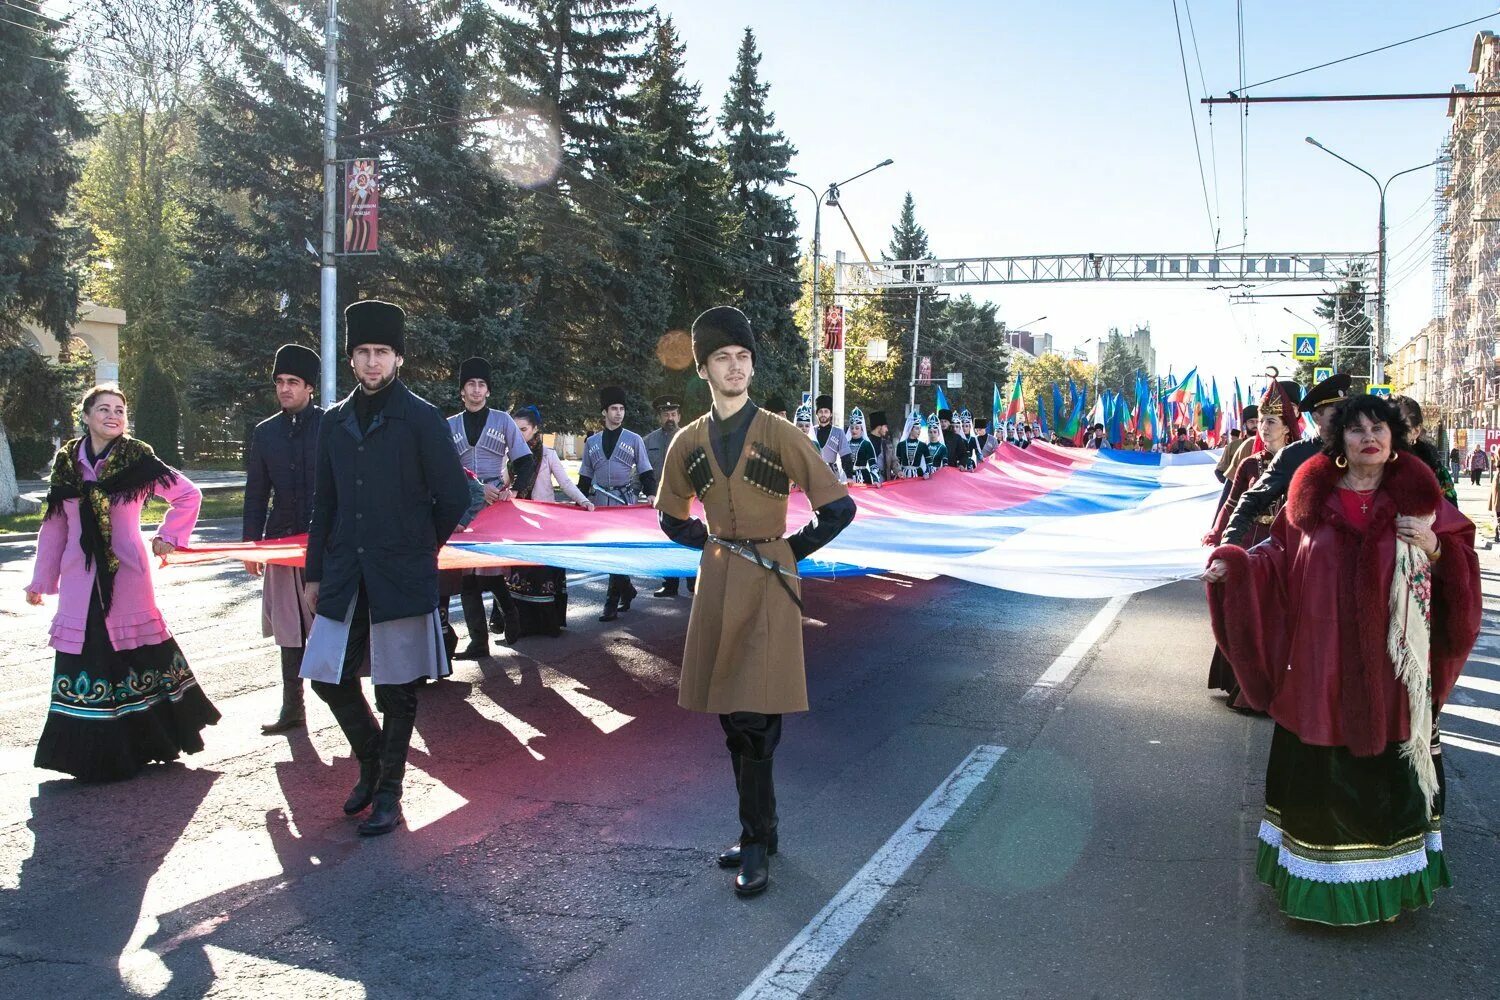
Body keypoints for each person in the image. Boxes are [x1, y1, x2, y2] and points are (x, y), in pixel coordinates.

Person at [1204, 394, 1480, 925]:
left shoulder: (1420, 501)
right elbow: (1276, 559)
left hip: (1393, 672)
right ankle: (1317, 889)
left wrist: (1436, 549)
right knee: (1320, 777)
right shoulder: (1310, 500)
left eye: (1379, 428)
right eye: (1356, 430)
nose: (1368, 438)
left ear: (1395, 437)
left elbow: (1462, 563)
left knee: (1386, 777)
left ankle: (1390, 889)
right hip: (1319, 668)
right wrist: (1234, 566)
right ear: (1339, 441)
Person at [656, 306, 856, 897]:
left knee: (756, 719)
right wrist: (703, 539)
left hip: (769, 581)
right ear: (704, 370)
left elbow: (839, 507)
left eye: (743, 357)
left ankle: (756, 842)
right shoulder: (688, 442)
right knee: (731, 719)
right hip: (719, 582)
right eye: (723, 358)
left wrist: (791, 549)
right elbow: (670, 513)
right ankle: (761, 832)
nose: (736, 367)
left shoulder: (780, 433)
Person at [300, 300, 470, 837]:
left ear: (398, 357)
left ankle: (390, 793)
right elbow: (322, 503)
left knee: (396, 688)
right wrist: (312, 571)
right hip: (345, 571)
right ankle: (372, 760)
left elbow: (453, 496)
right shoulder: (333, 421)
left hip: (401, 571)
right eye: (363, 353)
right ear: (351, 359)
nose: (373, 362)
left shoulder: (420, 418)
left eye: (382, 352)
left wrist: (418, 546)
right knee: (327, 676)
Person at [24, 385, 219, 781]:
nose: (113, 416)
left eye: (120, 410)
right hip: (80, 577)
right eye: (104, 409)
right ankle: (91, 756)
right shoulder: (67, 463)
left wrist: (170, 536)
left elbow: (188, 495)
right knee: (86, 655)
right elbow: (56, 524)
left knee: (137, 654)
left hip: (127, 574)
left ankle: (153, 742)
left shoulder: (138, 458)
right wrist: (41, 580)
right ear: (86, 415)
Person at [1203, 382, 1300, 711]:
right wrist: (1218, 538)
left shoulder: (1300, 461)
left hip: (1284, 548)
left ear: (1288, 427)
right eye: (1262, 421)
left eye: (1272, 421)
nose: (1264, 427)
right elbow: (1231, 504)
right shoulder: (1249, 463)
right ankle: (1240, 684)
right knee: (1241, 612)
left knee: (1276, 616)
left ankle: (1277, 688)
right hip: (1248, 545)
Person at [243, 344, 324, 735]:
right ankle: (293, 708)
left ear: (310, 387)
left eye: (293, 382)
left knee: (334, 625)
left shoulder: (332, 425)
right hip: (279, 544)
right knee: (289, 630)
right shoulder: (265, 433)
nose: (285, 389)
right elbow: (256, 493)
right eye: (279, 382)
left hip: (326, 546)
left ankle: (354, 707)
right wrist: (249, 546)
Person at [447, 357, 534, 658]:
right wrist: (471, 490)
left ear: (488, 391)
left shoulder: (502, 420)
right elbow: (443, 468)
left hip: (494, 505)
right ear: (462, 391)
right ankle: (479, 641)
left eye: (481, 384)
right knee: (467, 574)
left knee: (488, 570)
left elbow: (524, 460)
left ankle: (509, 613)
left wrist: (513, 490)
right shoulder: (449, 426)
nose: (475, 389)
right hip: (463, 506)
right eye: (470, 384)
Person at [1221, 373, 1352, 547]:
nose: (1346, 416)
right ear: (1316, 416)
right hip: (1307, 555)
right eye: (1337, 411)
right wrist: (1229, 546)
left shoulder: (1361, 450)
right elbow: (1252, 501)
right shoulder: (1294, 455)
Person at [507, 405, 595, 637]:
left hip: (544, 523)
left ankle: (547, 623)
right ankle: (521, 624)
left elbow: (565, 484)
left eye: (523, 429)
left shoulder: (548, 454)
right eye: (514, 430)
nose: (519, 435)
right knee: (521, 573)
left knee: (543, 573)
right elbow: (504, 484)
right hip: (520, 522)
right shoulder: (510, 455)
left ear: (536, 429)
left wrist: (584, 501)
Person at [578, 386, 657, 622]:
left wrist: (651, 493)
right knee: (608, 551)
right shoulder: (591, 442)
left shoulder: (634, 440)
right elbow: (585, 477)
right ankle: (628, 589)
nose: (619, 413)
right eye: (614, 408)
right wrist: (579, 499)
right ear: (604, 412)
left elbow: (645, 470)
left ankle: (610, 604)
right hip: (601, 503)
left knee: (617, 551)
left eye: (622, 409)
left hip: (625, 503)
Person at [644, 395, 686, 598]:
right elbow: (642, 470)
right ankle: (669, 583)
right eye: (665, 414)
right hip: (659, 501)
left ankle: (694, 580)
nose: (669, 418)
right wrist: (639, 492)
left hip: (685, 499)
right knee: (666, 541)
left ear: (679, 416)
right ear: (659, 417)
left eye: (673, 414)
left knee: (689, 539)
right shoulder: (649, 440)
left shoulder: (689, 437)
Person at [1393, 396, 1457, 505]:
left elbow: (1451, 515)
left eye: (1398, 425)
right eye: (1381, 425)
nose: (1390, 431)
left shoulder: (1434, 471)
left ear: (1416, 431)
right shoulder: (1366, 465)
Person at [813, 394, 854, 481]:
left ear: (831, 414)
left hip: (832, 475)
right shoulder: (812, 431)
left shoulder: (838, 432)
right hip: (813, 474)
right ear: (816, 414)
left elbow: (846, 457)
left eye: (826, 411)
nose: (823, 414)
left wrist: (849, 477)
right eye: (820, 411)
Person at [847, 408, 882, 485]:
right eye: (852, 428)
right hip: (848, 478)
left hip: (863, 477)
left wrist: (876, 480)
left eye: (857, 428)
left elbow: (872, 463)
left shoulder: (866, 444)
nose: (854, 430)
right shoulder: (846, 444)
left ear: (862, 429)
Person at [895, 412, 931, 478]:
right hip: (903, 476)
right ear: (910, 429)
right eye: (917, 428)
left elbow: (929, 463)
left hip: (918, 476)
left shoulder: (923, 445)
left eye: (920, 428)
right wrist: (898, 471)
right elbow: (897, 462)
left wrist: (927, 472)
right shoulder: (901, 445)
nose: (919, 431)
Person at [867, 410, 900, 482]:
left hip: (884, 482)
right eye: (885, 427)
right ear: (879, 427)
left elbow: (893, 460)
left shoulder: (887, 444)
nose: (887, 430)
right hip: (868, 481)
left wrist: (898, 471)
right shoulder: (865, 442)